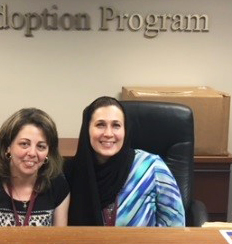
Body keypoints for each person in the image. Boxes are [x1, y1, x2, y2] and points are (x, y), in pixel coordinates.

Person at [64, 96, 185, 226]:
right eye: (100, 125)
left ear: (125, 130)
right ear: (87, 130)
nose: (108, 133)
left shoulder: (150, 167)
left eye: (116, 125)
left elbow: (176, 224)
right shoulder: (70, 173)